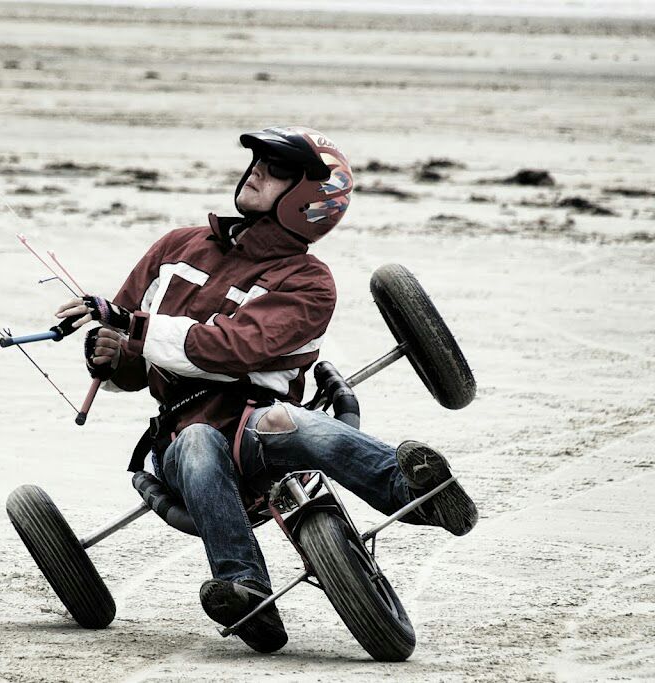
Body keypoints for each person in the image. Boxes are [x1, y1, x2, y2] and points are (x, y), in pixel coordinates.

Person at [55, 126, 477, 654]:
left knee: (279, 420)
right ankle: (243, 586)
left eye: (276, 169)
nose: (255, 170)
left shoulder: (309, 282)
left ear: (308, 201)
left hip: (259, 432)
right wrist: (111, 352)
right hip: (179, 438)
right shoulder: (175, 247)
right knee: (198, 440)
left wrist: (131, 327)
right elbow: (131, 364)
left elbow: (231, 349)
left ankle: (415, 492)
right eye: (256, 161)